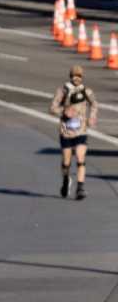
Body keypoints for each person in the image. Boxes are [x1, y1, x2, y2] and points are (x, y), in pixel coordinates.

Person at [50, 64, 98, 201]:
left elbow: (94, 104)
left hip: (81, 130)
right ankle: (66, 180)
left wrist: (92, 116)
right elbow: (52, 107)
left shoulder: (86, 91)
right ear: (70, 76)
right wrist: (63, 111)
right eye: (74, 76)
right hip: (66, 131)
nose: (77, 79)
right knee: (66, 162)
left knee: (80, 158)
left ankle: (80, 188)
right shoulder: (63, 90)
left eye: (79, 76)